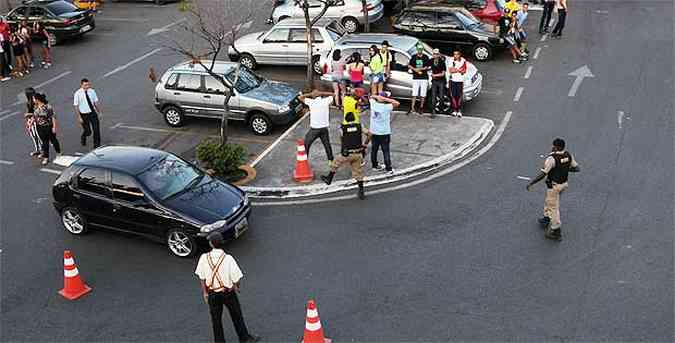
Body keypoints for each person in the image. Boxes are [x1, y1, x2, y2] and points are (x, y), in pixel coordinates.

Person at [195, 232, 260, 343]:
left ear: (211, 244)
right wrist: (237, 287)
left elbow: (202, 277)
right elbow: (236, 278)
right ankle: (245, 338)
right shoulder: (228, 259)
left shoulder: (204, 258)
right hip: (228, 293)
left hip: (212, 293)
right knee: (237, 316)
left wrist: (205, 292)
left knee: (216, 320)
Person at [526, 138, 580, 241]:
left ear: (557, 147)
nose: (552, 147)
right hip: (563, 184)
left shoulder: (552, 158)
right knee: (549, 201)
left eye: (553, 145)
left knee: (553, 207)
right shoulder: (568, 155)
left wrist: (531, 183)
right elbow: (577, 168)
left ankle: (556, 230)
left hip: (554, 186)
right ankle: (547, 218)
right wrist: (564, 168)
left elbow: (543, 173)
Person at [320, 111, 371, 200]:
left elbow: (342, 139)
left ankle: (329, 179)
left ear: (346, 120)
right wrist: (365, 144)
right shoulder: (360, 126)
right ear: (354, 119)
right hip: (358, 153)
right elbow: (370, 134)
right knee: (358, 172)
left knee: (335, 163)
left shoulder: (343, 128)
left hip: (347, 154)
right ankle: (361, 191)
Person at [299, 88, 335, 164]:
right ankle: (331, 160)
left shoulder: (311, 102)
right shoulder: (325, 101)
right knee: (327, 145)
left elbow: (300, 97)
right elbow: (333, 94)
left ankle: (304, 161)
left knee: (306, 144)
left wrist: (310, 94)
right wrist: (321, 92)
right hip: (324, 128)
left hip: (314, 129)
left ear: (313, 96)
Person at [369, 92, 399, 173]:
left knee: (374, 150)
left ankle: (374, 165)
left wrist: (378, 97)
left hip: (374, 131)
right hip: (384, 132)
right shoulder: (387, 107)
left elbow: (371, 96)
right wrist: (386, 99)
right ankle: (388, 168)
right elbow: (397, 103)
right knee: (385, 151)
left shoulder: (373, 104)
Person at [32, 93, 62, 166]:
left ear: (37, 99)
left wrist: (54, 127)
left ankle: (58, 152)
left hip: (48, 126)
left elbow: (53, 117)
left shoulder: (48, 107)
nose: (33, 100)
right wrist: (32, 120)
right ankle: (46, 157)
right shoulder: (35, 107)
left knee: (53, 140)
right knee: (44, 142)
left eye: (33, 99)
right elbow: (35, 116)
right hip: (40, 127)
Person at [73, 78, 103, 148]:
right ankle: (83, 137)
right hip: (84, 115)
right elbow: (76, 106)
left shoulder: (92, 91)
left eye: (88, 85)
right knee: (88, 131)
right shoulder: (77, 94)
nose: (87, 86)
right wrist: (79, 117)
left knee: (96, 129)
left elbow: (95, 103)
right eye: (85, 85)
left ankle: (97, 145)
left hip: (92, 113)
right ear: (81, 85)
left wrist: (99, 112)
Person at [407, 43, 429, 116]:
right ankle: (412, 108)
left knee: (423, 94)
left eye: (421, 49)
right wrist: (415, 70)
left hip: (424, 78)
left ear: (422, 50)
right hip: (416, 78)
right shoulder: (414, 57)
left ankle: (421, 107)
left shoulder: (425, 57)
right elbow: (409, 65)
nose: (419, 51)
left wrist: (419, 69)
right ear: (417, 50)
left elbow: (427, 67)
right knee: (414, 94)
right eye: (418, 49)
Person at [448, 50, 467, 118]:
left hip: (460, 81)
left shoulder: (463, 61)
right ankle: (454, 110)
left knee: (459, 96)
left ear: (460, 55)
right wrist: (459, 70)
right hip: (452, 80)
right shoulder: (451, 60)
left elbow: (464, 71)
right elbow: (450, 70)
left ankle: (459, 110)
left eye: (457, 54)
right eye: (454, 54)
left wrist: (455, 70)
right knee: (453, 95)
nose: (455, 56)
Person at [24, 88, 42, 157]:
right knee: (33, 136)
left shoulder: (36, 102)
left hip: (36, 120)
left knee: (38, 136)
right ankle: (37, 150)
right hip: (31, 120)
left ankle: (42, 151)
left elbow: (38, 112)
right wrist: (28, 121)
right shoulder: (29, 102)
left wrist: (29, 115)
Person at [428, 48, 446, 117]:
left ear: (438, 54)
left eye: (436, 54)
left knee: (441, 97)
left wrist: (434, 75)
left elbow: (443, 74)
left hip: (441, 81)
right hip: (434, 81)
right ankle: (433, 111)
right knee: (433, 96)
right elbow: (426, 66)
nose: (435, 55)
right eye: (434, 54)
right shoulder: (431, 61)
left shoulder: (442, 62)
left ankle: (441, 107)